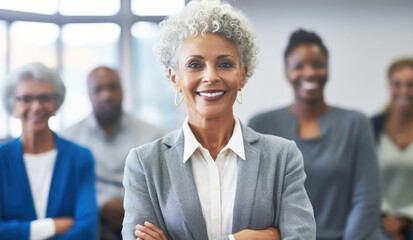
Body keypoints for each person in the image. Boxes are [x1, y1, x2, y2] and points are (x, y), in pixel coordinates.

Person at [122, 1, 316, 240]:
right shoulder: (145, 164)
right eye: (195, 65)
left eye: (225, 64)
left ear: (242, 75)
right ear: (175, 78)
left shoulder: (282, 157)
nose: (211, 76)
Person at [248, 29, 382, 240]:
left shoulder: (356, 124)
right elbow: (256, 203)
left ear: (328, 70)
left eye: (318, 64)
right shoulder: (261, 124)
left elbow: (367, 200)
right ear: (286, 73)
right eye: (299, 66)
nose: (309, 73)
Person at [61, 66, 164, 240]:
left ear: (123, 90)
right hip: (90, 221)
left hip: (144, 221)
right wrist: (102, 205)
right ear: (89, 94)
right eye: (98, 89)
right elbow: (68, 188)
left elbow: (161, 184)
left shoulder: (154, 135)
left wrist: (133, 207)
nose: (106, 95)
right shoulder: (69, 139)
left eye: (112, 87)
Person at [0, 62, 98, 239]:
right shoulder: (1, 158)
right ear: (13, 106)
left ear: (56, 104)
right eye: (26, 99)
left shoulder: (80, 158)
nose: (36, 106)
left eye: (44, 98)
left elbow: (87, 229)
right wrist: (50, 226)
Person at [371, 57, 413, 240]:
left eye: (411, 84)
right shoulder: (371, 128)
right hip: (378, 219)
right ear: (389, 86)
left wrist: (407, 217)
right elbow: (363, 179)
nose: (404, 90)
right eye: (397, 84)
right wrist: (387, 217)